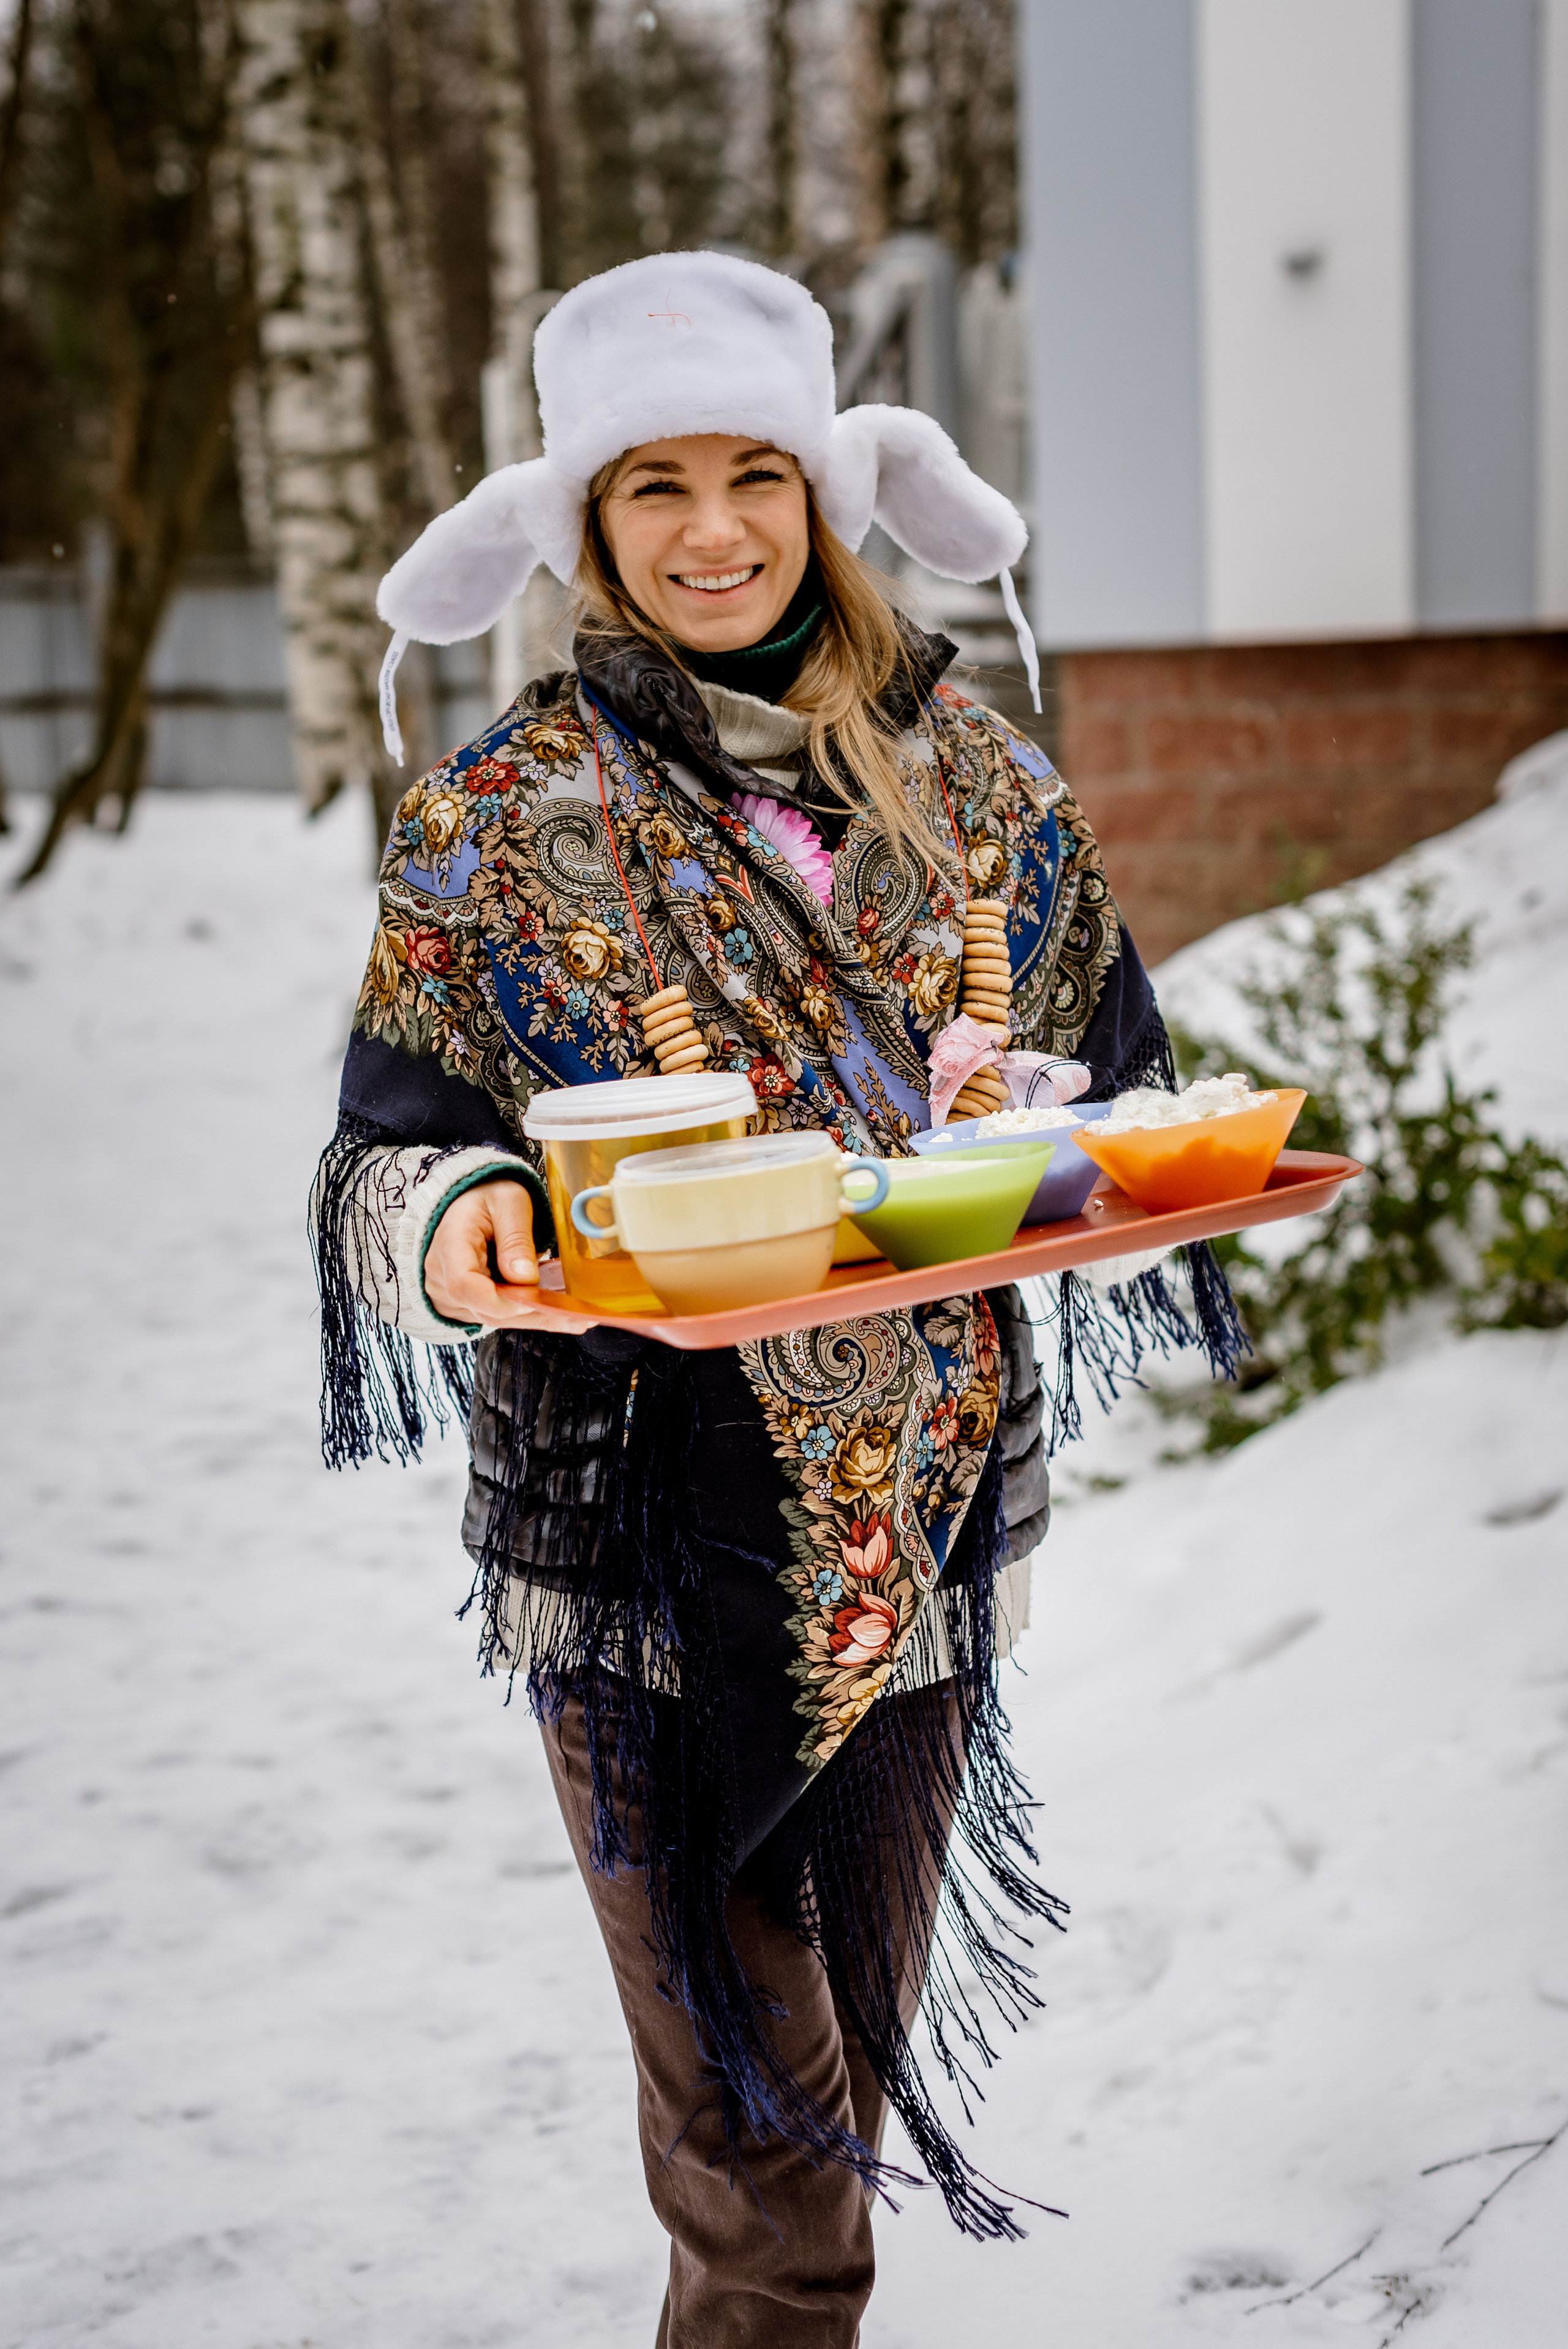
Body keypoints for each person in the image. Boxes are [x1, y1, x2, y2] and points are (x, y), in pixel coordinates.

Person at [313, 252, 1241, 2348]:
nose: (715, 529)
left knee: (826, 2116)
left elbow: (1135, 1100)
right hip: (636, 1544)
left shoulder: (981, 788)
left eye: (756, 476)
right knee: (771, 2185)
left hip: (930, 1535)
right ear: (583, 519)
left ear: (830, 494)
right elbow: (377, 1156)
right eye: (656, 484)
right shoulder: (498, 822)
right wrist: (456, 1213)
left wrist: (1062, 1124)